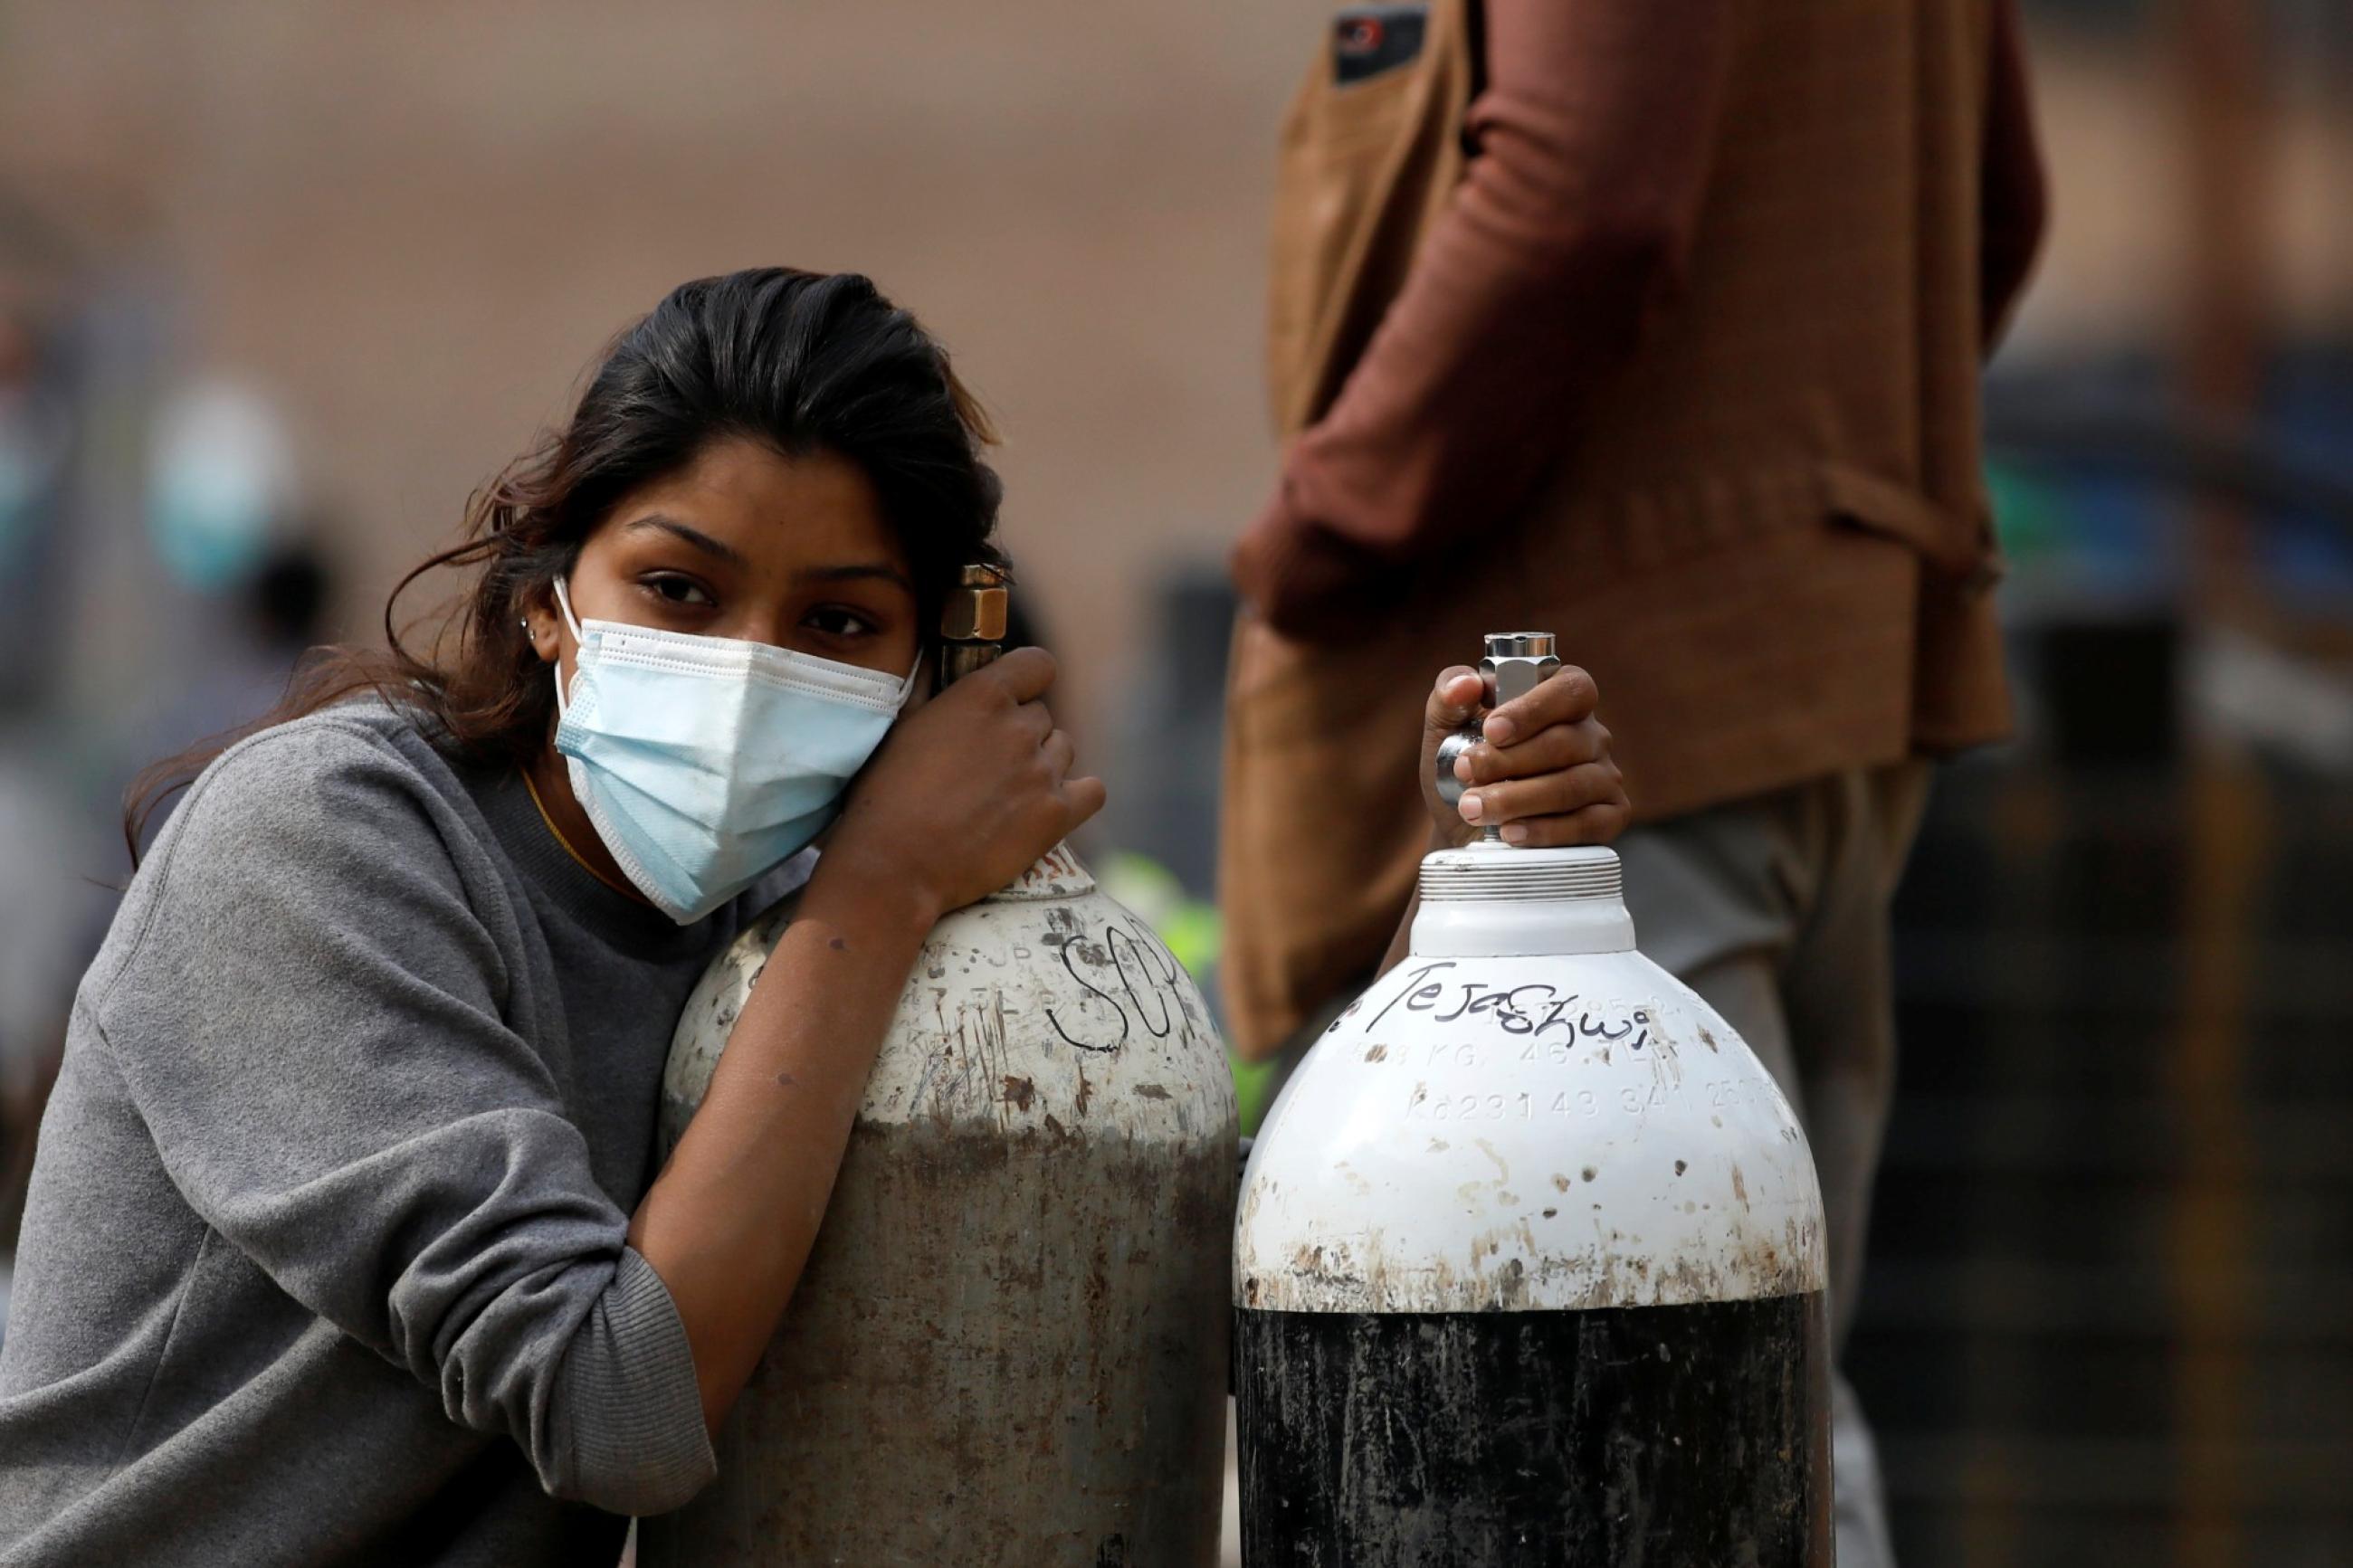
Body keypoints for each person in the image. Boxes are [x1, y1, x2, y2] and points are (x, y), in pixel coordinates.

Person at [0, 266, 1623, 1564]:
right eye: (681, 590)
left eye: (838, 622)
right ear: (551, 600)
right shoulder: (329, 843)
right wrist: (883, 890)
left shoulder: (791, 913)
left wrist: (1462, 897)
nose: (749, 666)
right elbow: (617, 1400)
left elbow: (1167, 1280)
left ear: (923, 675)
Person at [1220, 3, 2047, 1562]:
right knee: (1763, 1384)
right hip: (1830, 676)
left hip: (1609, 714)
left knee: (1636, 1411)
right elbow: (1994, 210)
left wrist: (1320, 528)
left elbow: (1581, 198)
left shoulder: (1565, 735)